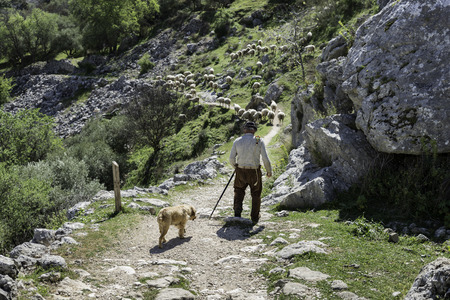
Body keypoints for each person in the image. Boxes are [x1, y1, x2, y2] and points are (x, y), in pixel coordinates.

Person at [229, 121, 272, 225]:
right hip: (254, 172)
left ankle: (237, 213)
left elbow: (231, 158)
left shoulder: (237, 141)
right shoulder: (259, 140)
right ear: (254, 130)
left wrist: (236, 167)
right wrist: (269, 171)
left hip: (241, 170)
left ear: (244, 130)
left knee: (238, 191)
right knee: (256, 193)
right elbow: (265, 158)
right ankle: (254, 216)